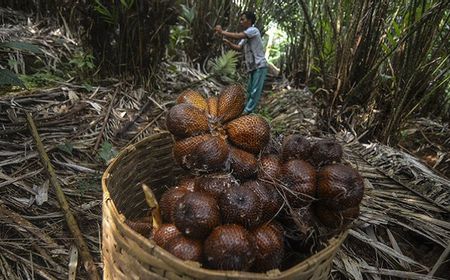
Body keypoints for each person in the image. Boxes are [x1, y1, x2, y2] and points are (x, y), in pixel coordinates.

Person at [214, 11, 268, 114]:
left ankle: (247, 112)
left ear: (249, 21)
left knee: (255, 91)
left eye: (243, 19)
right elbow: (239, 47)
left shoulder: (253, 30)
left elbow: (238, 36)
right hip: (252, 67)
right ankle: (246, 110)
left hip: (260, 65)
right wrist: (229, 43)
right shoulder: (247, 34)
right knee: (250, 90)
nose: (241, 21)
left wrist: (222, 32)